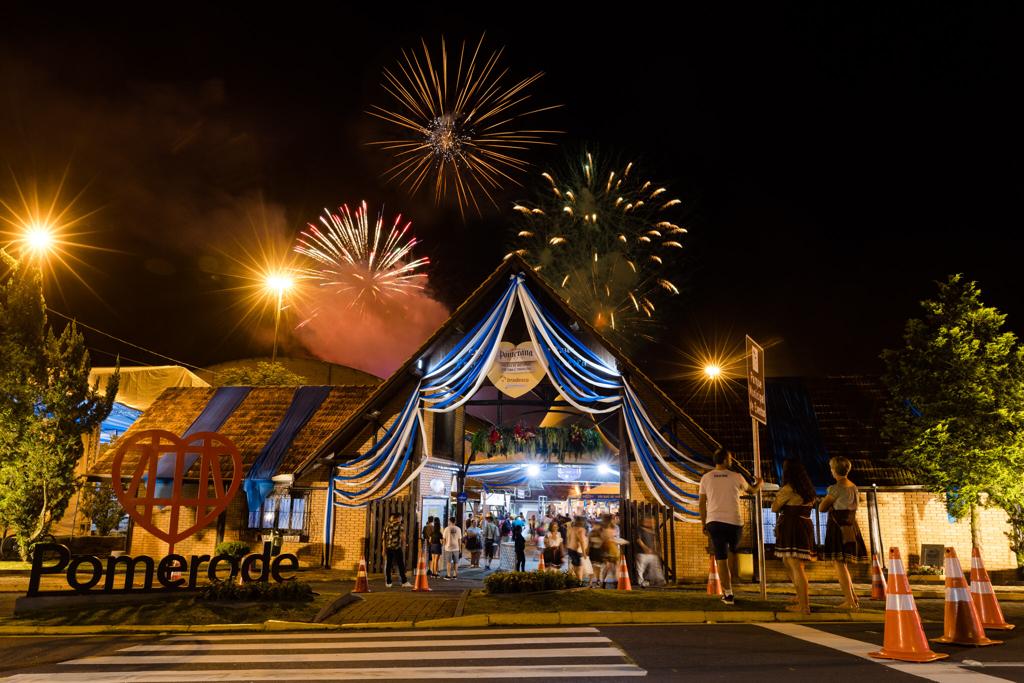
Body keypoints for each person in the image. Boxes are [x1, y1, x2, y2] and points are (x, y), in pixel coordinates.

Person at [699, 448, 763, 605]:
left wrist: (703, 522)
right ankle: (733, 582)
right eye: (730, 458)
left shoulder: (706, 478)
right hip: (734, 522)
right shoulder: (737, 477)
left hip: (714, 521)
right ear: (726, 460)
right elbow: (752, 491)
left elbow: (702, 502)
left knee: (721, 557)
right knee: (733, 552)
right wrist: (760, 483)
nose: (732, 461)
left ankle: (728, 594)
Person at [820, 455, 869, 609]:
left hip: (838, 526)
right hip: (851, 525)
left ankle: (849, 601)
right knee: (844, 565)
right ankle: (853, 599)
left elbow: (822, 508)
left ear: (834, 470)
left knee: (840, 565)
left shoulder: (835, 488)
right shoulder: (854, 487)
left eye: (831, 468)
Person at [772, 459, 817, 614]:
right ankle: (800, 597)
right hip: (805, 525)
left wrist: (778, 496)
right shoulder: (809, 490)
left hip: (792, 526)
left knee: (795, 566)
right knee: (789, 562)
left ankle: (804, 606)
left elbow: (774, 507)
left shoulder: (788, 489)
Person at [382, 512, 412, 588]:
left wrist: (383, 549)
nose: (401, 519)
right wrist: (405, 542)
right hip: (397, 547)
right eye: (401, 518)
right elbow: (403, 537)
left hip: (388, 547)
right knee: (400, 564)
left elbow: (383, 539)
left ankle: (388, 582)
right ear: (398, 518)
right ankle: (404, 582)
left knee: (388, 565)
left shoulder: (387, 526)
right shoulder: (400, 525)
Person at [635, 516, 663, 587]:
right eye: (649, 521)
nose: (651, 523)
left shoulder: (652, 531)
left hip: (651, 553)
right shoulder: (640, 529)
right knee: (640, 568)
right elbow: (638, 540)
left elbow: (655, 541)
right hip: (642, 553)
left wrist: (657, 550)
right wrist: (645, 548)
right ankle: (640, 582)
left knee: (655, 567)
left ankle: (657, 581)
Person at [566, 515, 588, 580]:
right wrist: (584, 553)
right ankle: (579, 582)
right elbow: (582, 541)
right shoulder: (581, 529)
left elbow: (568, 538)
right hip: (576, 551)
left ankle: (576, 581)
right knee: (580, 568)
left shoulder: (572, 528)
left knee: (576, 566)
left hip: (570, 549)